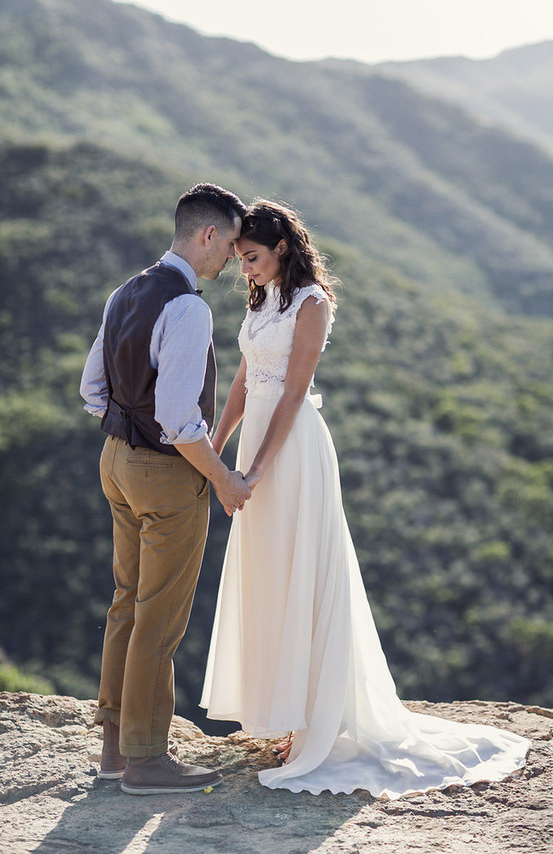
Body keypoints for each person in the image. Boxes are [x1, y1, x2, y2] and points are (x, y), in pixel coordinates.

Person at [200, 199, 530, 797]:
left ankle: (312, 727)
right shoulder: (263, 298)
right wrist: (216, 453)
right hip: (253, 447)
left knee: (303, 573)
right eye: (239, 259)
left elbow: (292, 395)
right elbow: (245, 381)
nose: (243, 269)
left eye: (251, 258)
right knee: (270, 575)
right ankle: (286, 715)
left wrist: (253, 474)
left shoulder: (312, 304)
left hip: (292, 451)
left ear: (281, 249)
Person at [80, 183, 251, 796]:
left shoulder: (125, 291)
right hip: (165, 474)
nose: (231, 258)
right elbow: (182, 421)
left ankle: (114, 750)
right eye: (230, 245)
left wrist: (125, 437)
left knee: (126, 602)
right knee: (160, 616)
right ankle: (148, 761)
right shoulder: (188, 308)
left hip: (116, 460)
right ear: (207, 236)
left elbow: (91, 389)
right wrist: (224, 478)